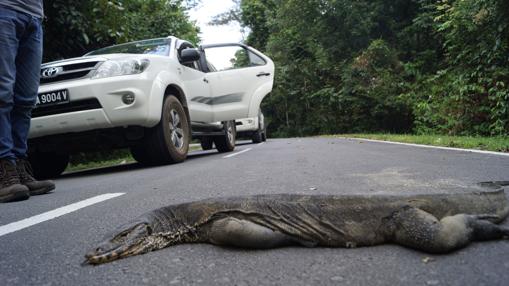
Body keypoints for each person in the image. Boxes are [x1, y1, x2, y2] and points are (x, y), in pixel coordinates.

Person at [0, 0, 55, 203]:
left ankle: (19, 166)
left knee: (26, 98)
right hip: (4, 9)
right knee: (2, 94)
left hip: (33, 14)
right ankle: (4, 168)